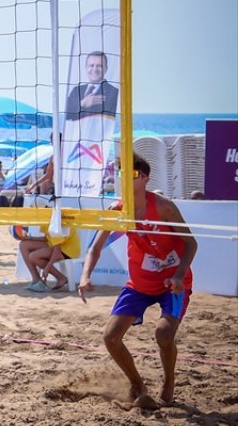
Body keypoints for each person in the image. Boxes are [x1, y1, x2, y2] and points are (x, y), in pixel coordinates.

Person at [78, 153, 196, 410]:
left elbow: (191, 243)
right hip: (140, 284)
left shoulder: (163, 207)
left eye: (130, 175)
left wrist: (178, 275)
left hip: (172, 282)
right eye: (120, 174)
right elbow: (94, 249)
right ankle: (138, 386)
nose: (124, 179)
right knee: (110, 337)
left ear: (145, 178)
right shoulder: (118, 210)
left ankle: (169, 381)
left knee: (163, 334)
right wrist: (85, 276)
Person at [20, 223, 81, 292]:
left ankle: (61, 278)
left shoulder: (56, 222)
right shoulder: (46, 219)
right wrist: (29, 238)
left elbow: (57, 252)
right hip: (57, 246)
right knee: (24, 244)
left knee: (33, 257)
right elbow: (48, 238)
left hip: (68, 251)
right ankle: (36, 280)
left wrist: (47, 268)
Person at [65, 51, 119, 121]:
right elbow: (66, 115)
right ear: (86, 68)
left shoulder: (115, 93)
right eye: (91, 65)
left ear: (106, 69)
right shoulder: (76, 90)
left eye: (99, 66)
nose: (95, 69)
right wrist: (82, 104)